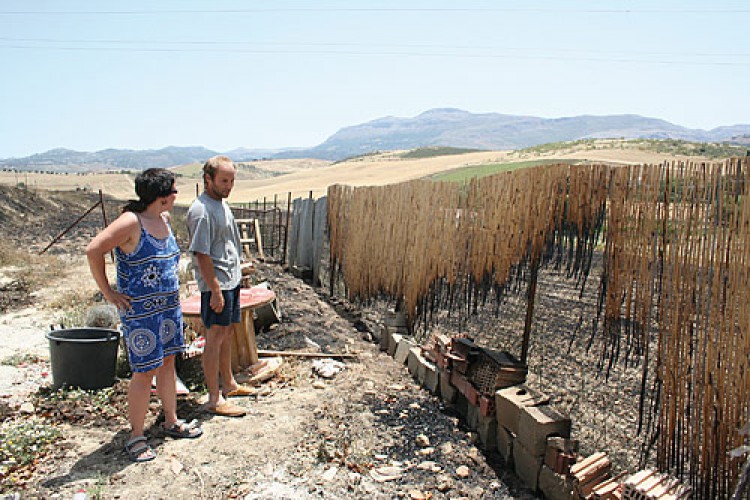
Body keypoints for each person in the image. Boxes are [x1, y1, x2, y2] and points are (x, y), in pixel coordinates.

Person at [86, 168, 202, 463]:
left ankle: (170, 421)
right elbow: (94, 250)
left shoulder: (162, 219)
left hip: (167, 309)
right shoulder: (131, 221)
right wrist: (109, 294)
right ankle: (136, 435)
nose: (177, 195)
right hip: (141, 315)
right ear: (163, 196)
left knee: (167, 365)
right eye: (174, 190)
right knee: (143, 372)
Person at [187, 155, 255, 417]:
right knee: (214, 338)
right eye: (224, 180)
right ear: (208, 179)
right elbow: (201, 253)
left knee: (226, 333)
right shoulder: (201, 211)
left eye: (232, 180)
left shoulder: (222, 205)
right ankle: (214, 398)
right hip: (217, 283)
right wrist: (214, 289)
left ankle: (229, 384)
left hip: (230, 280)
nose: (229, 186)